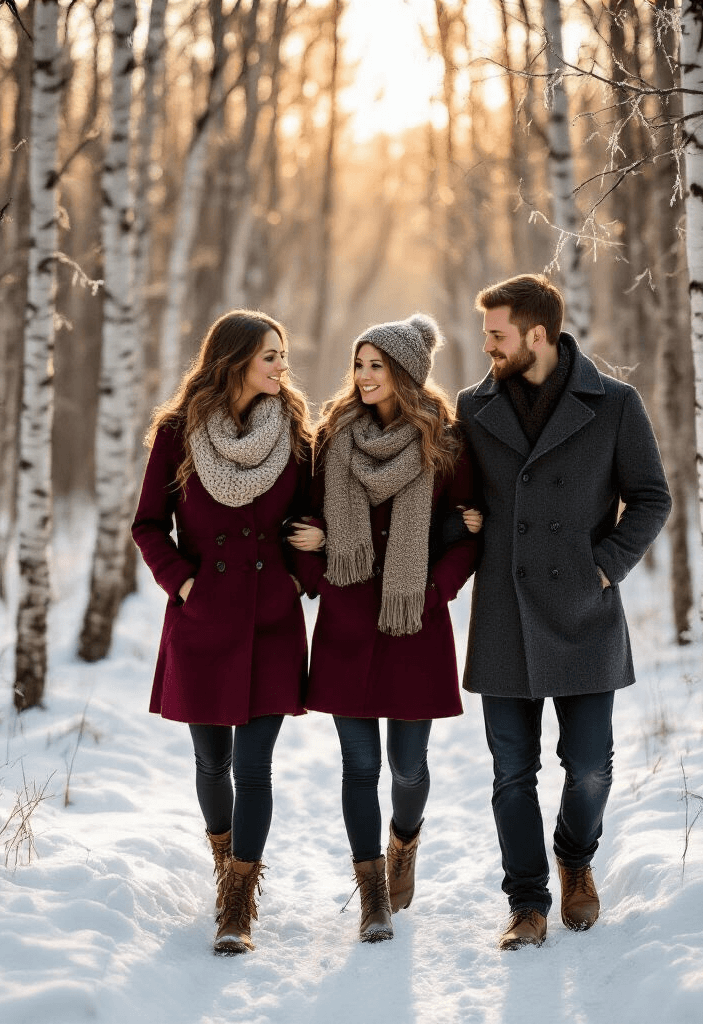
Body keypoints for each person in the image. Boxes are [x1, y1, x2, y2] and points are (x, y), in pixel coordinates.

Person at [455, 274, 671, 950]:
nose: (487, 346)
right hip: (505, 613)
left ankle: (575, 858)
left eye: (497, 335)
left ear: (538, 334)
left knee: (590, 767)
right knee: (512, 773)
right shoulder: (472, 407)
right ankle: (526, 902)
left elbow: (652, 497)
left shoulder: (614, 403)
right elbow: (454, 495)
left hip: (584, 610)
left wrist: (604, 566)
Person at [131, 309, 323, 956]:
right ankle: (224, 865)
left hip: (271, 620)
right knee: (212, 763)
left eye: (283, 354)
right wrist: (184, 584)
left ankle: (238, 903)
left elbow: (312, 522)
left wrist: (298, 578)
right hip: (203, 620)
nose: (282, 366)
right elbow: (148, 525)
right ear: (235, 359)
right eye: (271, 355)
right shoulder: (178, 433)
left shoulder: (296, 436)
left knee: (253, 764)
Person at [292, 313, 481, 944]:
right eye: (360, 364)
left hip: (412, 624)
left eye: (378, 366)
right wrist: (322, 575)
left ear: (406, 373)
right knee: (359, 765)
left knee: (407, 767)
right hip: (347, 624)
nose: (365, 376)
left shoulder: (444, 443)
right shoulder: (332, 437)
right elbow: (302, 523)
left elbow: (467, 534)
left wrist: (434, 592)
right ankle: (371, 892)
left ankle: (404, 841)